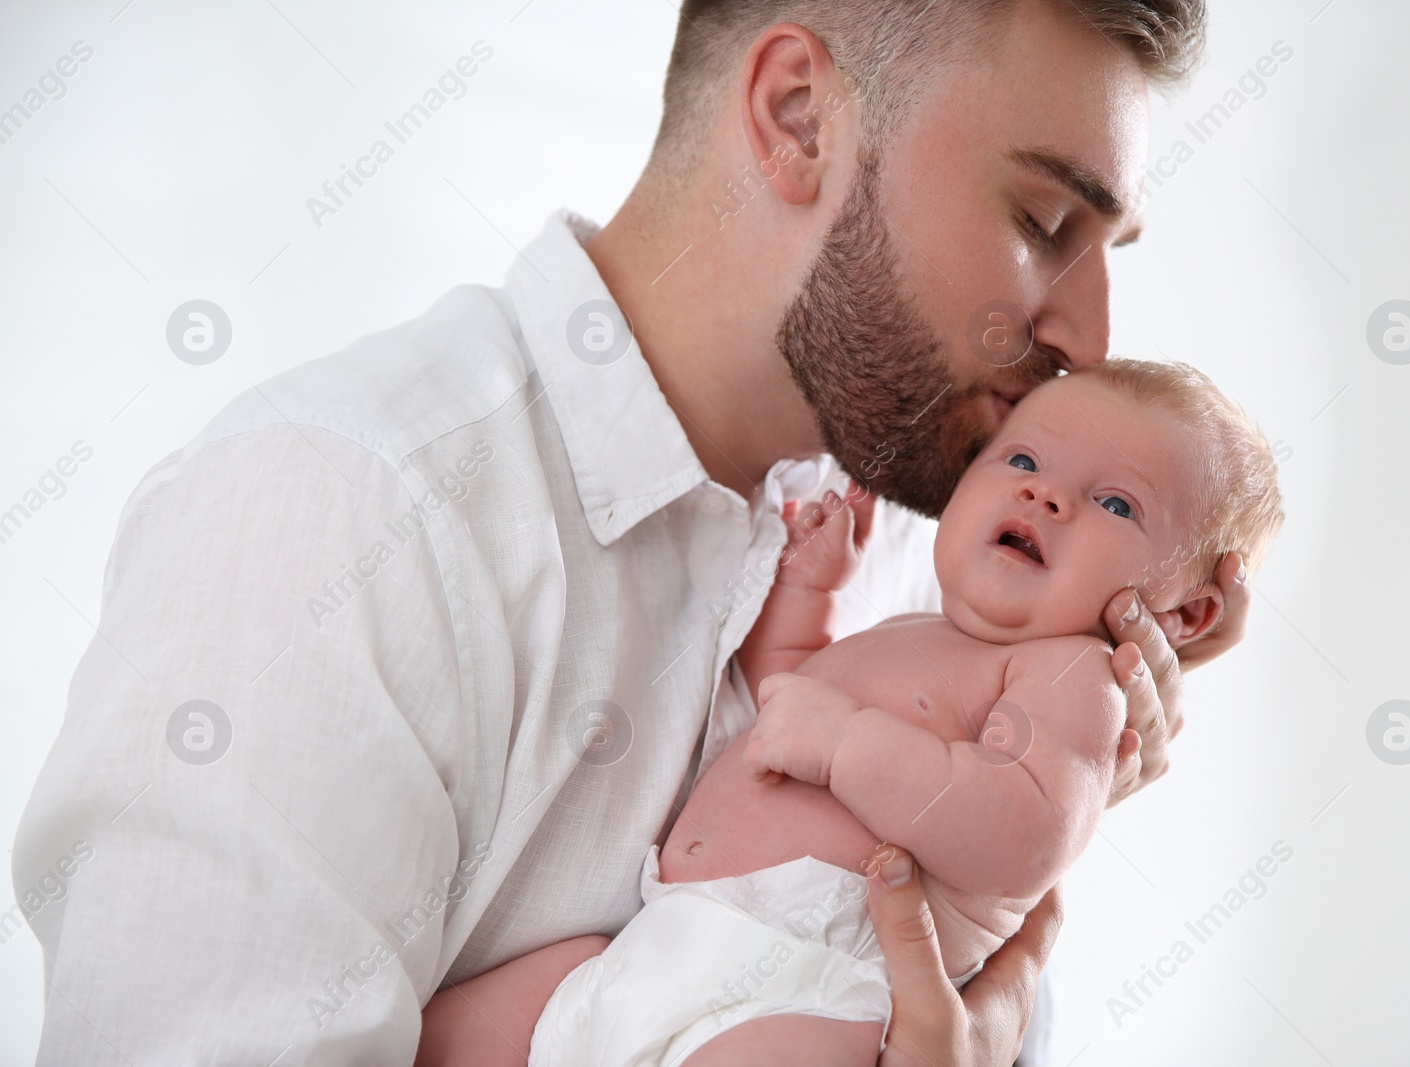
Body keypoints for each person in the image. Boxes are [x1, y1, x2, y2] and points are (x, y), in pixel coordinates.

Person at [13, 1, 1248, 1064]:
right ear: (800, 116)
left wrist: (1070, 725)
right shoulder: (335, 516)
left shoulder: (908, 547)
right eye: (1043, 223)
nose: (1087, 336)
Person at [429, 359, 1283, 1065]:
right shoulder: (917, 630)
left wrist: (845, 745)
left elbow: (1023, 829)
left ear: (1188, 613)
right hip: (654, 941)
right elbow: (784, 704)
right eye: (1023, 462)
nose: (1046, 497)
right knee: (447, 1033)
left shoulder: (1077, 677)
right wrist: (808, 593)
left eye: (1116, 503)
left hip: (802, 987)